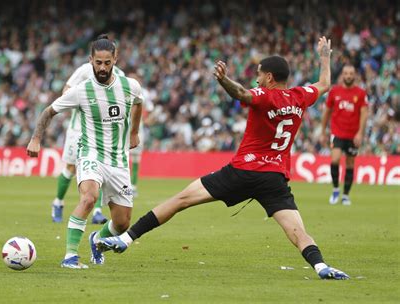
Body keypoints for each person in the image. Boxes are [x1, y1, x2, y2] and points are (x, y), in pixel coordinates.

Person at [97, 37, 350, 280]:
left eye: (260, 74)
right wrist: (325, 56)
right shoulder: (300, 96)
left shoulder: (264, 96)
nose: (257, 78)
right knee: (297, 231)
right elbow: (325, 83)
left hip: (243, 171)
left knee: (180, 200)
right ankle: (321, 266)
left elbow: (242, 93)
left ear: (270, 77)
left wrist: (223, 79)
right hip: (274, 178)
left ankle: (125, 239)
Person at [27, 35, 143, 269]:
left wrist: (134, 132)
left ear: (115, 60)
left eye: (107, 62)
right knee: (89, 198)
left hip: (119, 161)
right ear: (91, 60)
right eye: (98, 62)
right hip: (91, 154)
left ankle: (97, 239)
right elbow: (49, 111)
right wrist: (36, 138)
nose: (102, 67)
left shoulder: (130, 85)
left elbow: (139, 103)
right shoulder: (82, 90)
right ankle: (70, 256)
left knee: (122, 224)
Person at [51, 50, 125, 224]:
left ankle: (97, 211)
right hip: (78, 129)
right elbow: (66, 91)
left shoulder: (119, 75)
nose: (104, 65)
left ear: (114, 57)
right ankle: (58, 202)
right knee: (70, 168)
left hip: (102, 132)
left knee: (100, 168)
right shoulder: (85, 70)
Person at [320, 64, 368, 206]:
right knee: (335, 159)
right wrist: (323, 131)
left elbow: (364, 114)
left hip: (353, 135)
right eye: (346, 73)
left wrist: (360, 133)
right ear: (342, 75)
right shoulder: (334, 91)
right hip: (337, 132)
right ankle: (335, 189)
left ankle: (345, 195)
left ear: (354, 75)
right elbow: (327, 112)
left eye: (351, 73)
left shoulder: (360, 93)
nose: (348, 76)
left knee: (350, 163)